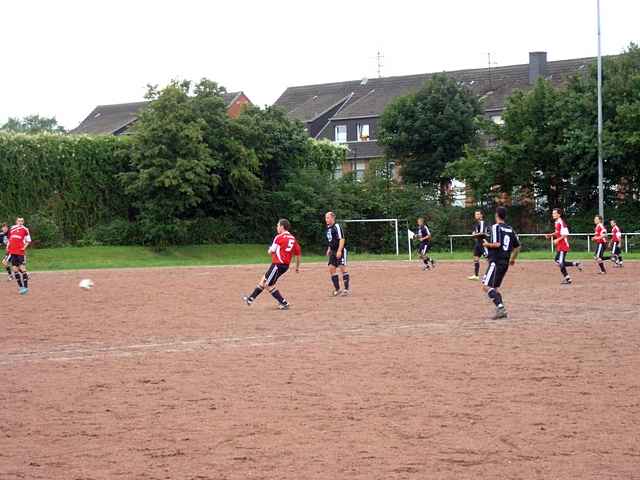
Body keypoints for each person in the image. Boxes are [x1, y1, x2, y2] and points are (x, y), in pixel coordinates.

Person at [242, 219, 301, 310]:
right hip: (284, 265)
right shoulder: (293, 238)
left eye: (278, 225)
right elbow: (298, 254)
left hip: (278, 265)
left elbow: (271, 251)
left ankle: (284, 303)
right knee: (264, 280)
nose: (277, 227)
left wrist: (269, 250)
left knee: (267, 285)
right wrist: (297, 267)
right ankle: (250, 299)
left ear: (282, 227)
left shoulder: (279, 237)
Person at [481, 206, 521, 320]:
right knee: (495, 288)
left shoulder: (496, 227)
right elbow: (517, 247)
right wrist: (513, 259)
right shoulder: (510, 229)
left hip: (496, 261)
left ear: (497, 215)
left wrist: (487, 245)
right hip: (505, 262)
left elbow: (497, 244)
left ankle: (501, 308)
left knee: (486, 286)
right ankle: (500, 309)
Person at [545, 208, 582, 285]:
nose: (553, 214)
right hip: (560, 245)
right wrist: (550, 235)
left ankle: (568, 279)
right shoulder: (557, 222)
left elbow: (565, 234)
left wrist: (557, 240)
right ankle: (575, 264)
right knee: (557, 261)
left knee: (561, 262)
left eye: (554, 213)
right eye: (553, 213)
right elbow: (557, 232)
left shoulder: (562, 222)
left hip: (563, 245)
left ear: (559, 214)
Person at [325, 211, 350, 296]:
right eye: (326, 218)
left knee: (342, 268)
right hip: (332, 251)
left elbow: (342, 239)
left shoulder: (337, 226)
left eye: (328, 218)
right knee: (331, 268)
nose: (326, 219)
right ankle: (337, 289)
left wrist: (339, 250)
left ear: (332, 218)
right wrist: (329, 249)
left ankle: (346, 289)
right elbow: (331, 240)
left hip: (340, 250)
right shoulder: (328, 228)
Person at [6, 217, 32, 295]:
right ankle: (21, 288)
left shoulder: (25, 229)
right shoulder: (12, 228)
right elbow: (10, 239)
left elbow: (28, 240)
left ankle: (26, 287)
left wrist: (23, 247)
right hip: (12, 251)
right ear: (16, 221)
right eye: (19, 220)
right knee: (15, 269)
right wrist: (8, 246)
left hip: (20, 252)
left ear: (23, 222)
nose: (20, 222)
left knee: (23, 269)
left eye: (22, 221)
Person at [468, 210, 489, 280]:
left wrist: (474, 234)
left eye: (478, 214)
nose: (476, 215)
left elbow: (482, 233)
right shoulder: (477, 224)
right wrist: (474, 233)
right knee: (476, 258)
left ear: (481, 215)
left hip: (483, 242)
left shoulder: (482, 222)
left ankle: (490, 275)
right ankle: (476, 275)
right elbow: (477, 232)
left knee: (489, 259)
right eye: (475, 214)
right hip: (478, 243)